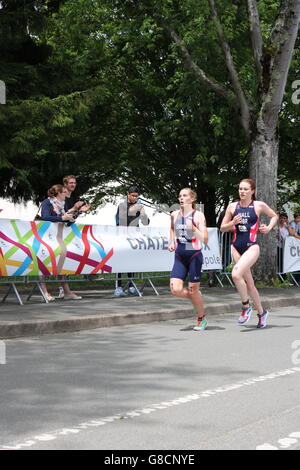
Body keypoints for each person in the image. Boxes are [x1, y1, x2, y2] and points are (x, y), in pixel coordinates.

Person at [220, 178, 278, 329]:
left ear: (252, 191)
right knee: (250, 285)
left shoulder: (258, 205)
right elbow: (222, 228)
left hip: (252, 247)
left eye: (246, 189)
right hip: (236, 247)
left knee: (235, 275)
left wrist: (269, 228)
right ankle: (262, 313)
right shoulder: (232, 207)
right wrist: (232, 223)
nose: (242, 192)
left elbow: (274, 216)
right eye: (240, 189)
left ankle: (246, 306)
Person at [169, 188, 209, 331]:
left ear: (192, 199)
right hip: (180, 255)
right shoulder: (174, 214)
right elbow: (172, 228)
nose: (181, 198)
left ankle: (201, 318)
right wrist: (172, 241)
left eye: (184, 196)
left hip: (194, 256)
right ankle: (196, 296)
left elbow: (205, 239)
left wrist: (193, 228)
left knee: (193, 290)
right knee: (175, 290)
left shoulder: (198, 216)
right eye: (180, 196)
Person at [40, 184, 82, 301]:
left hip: (57, 237)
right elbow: (45, 217)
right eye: (64, 192)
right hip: (45, 237)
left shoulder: (62, 205)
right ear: (58, 193)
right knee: (43, 261)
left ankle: (66, 291)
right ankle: (44, 292)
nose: (66, 194)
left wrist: (73, 216)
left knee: (62, 259)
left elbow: (63, 219)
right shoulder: (47, 202)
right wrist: (63, 218)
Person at [114, 185, 150, 297]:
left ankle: (131, 286)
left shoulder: (139, 206)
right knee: (121, 262)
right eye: (132, 195)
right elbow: (122, 220)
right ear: (128, 194)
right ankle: (118, 287)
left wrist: (143, 213)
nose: (134, 197)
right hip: (122, 236)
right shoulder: (122, 205)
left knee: (131, 262)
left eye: (136, 196)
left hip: (134, 237)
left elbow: (146, 222)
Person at [277, 211, 293, 275]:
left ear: (286, 219)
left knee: (284, 262)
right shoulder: (277, 226)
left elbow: (291, 234)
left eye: (284, 218)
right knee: (279, 262)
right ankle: (279, 276)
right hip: (278, 246)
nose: (282, 219)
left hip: (285, 247)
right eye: (281, 218)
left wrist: (288, 224)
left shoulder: (286, 226)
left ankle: (284, 277)